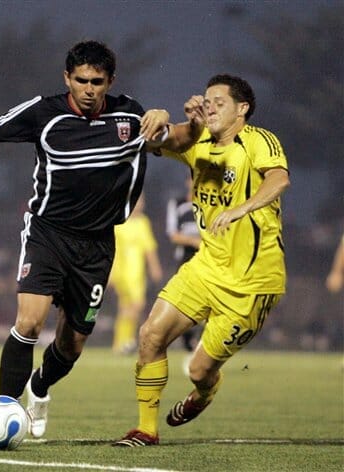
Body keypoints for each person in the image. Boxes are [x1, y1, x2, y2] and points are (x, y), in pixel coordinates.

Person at [0, 40, 204, 439]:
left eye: (97, 82)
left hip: (98, 245)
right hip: (47, 234)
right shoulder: (44, 112)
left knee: (71, 346)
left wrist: (191, 123)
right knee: (30, 322)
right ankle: (4, 412)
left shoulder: (132, 115)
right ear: (67, 78)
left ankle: (39, 387)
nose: (88, 89)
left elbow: (178, 141)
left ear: (110, 81)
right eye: (81, 80)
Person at [114, 74, 290, 447]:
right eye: (206, 100)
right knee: (149, 335)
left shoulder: (258, 140)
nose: (210, 106)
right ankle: (146, 429)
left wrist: (243, 207)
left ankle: (205, 392)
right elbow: (156, 141)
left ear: (242, 109)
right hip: (206, 267)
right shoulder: (199, 139)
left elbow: (278, 179)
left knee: (199, 370)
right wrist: (164, 117)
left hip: (252, 282)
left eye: (219, 102)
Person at [109, 193, 163, 355]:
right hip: (122, 272)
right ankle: (125, 342)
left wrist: (154, 267)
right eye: (136, 201)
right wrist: (110, 272)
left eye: (141, 201)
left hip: (137, 273)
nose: (140, 204)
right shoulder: (118, 223)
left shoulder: (143, 223)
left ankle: (121, 343)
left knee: (127, 308)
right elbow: (111, 249)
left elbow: (149, 248)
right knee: (135, 305)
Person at [165, 174, 202, 375]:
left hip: (210, 260)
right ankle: (189, 345)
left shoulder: (211, 205)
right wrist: (195, 242)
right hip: (186, 260)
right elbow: (173, 234)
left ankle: (204, 345)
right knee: (186, 304)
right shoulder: (178, 204)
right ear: (187, 181)